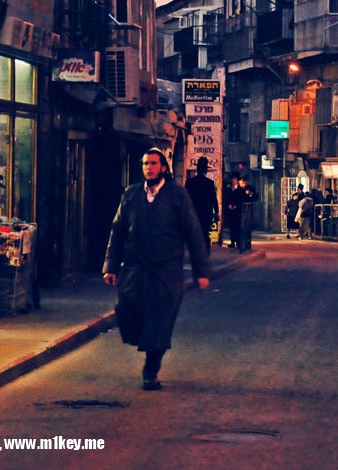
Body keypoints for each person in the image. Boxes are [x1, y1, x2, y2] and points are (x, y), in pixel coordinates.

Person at [102, 148, 210, 391]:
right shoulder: (131, 194)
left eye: (153, 163)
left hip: (166, 271)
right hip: (134, 269)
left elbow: (193, 233)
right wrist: (110, 266)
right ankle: (144, 344)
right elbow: (117, 231)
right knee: (126, 308)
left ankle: (151, 370)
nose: (148, 167)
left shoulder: (177, 195)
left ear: (163, 167)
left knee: (160, 321)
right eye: (144, 164)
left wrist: (201, 271)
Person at [184, 157, 219, 253]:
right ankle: (205, 252)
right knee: (205, 232)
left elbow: (185, 198)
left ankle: (196, 251)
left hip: (193, 212)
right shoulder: (210, 183)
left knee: (194, 232)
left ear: (197, 169)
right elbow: (213, 199)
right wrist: (216, 212)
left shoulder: (190, 182)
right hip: (206, 213)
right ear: (206, 170)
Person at [234, 173, 257, 252]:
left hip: (248, 208)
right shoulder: (237, 190)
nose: (244, 183)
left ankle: (247, 243)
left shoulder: (250, 188)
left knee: (248, 226)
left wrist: (250, 194)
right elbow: (236, 199)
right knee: (240, 226)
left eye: (245, 181)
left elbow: (255, 197)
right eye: (242, 181)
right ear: (239, 182)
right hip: (240, 209)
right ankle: (239, 243)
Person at [223, 172, 241, 249]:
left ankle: (238, 242)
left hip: (238, 212)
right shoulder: (228, 190)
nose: (233, 181)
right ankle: (233, 242)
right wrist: (229, 205)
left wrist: (236, 206)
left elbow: (241, 200)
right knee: (231, 227)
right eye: (232, 179)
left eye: (235, 179)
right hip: (230, 212)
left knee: (238, 227)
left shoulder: (240, 190)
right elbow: (226, 199)